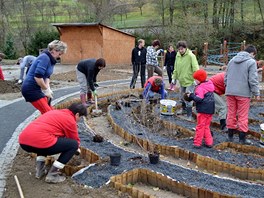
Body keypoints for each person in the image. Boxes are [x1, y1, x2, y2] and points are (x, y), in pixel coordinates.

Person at [19, 103, 87, 183]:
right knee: (73, 145)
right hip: (40, 140)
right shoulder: (70, 120)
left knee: (42, 143)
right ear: (77, 114)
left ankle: (39, 171)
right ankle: (53, 174)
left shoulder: (55, 112)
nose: (79, 120)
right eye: (81, 117)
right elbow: (74, 140)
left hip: (24, 141)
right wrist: (76, 150)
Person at [225, 45, 260, 145]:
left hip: (230, 92)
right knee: (242, 115)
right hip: (243, 93)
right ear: (252, 53)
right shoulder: (251, 62)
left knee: (231, 113)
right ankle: (242, 139)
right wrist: (256, 92)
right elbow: (253, 79)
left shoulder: (232, 60)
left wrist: (228, 87)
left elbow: (226, 77)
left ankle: (230, 137)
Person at [21, 40, 67, 114]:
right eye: (60, 53)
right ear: (54, 50)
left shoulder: (51, 60)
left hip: (37, 88)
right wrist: (45, 89)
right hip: (30, 89)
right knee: (48, 113)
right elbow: (38, 77)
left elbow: (47, 76)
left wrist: (48, 88)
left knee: (50, 110)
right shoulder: (44, 58)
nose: (60, 56)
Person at [186, 69, 215, 148]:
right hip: (210, 110)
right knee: (206, 126)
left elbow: (199, 98)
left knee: (200, 126)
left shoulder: (200, 87)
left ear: (199, 79)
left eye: (196, 79)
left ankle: (197, 143)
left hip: (203, 110)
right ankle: (209, 142)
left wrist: (191, 96)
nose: (195, 81)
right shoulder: (209, 85)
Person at [171, 41, 199, 120]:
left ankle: (189, 116)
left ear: (185, 48)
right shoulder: (178, 55)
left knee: (188, 97)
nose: (180, 50)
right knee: (182, 96)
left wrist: (196, 79)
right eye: (179, 49)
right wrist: (174, 78)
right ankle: (183, 110)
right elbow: (176, 68)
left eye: (182, 49)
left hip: (190, 81)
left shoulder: (191, 56)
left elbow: (196, 68)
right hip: (182, 80)